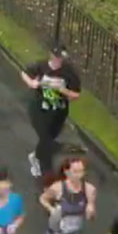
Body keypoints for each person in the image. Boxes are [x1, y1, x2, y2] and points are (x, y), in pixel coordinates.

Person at [21, 48, 83, 182]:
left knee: (49, 138)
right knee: (46, 138)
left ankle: (37, 154)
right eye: (56, 57)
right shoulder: (41, 66)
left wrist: (63, 90)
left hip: (58, 111)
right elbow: (25, 73)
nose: (58, 60)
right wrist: (31, 83)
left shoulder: (69, 72)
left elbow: (76, 95)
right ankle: (44, 168)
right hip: (39, 108)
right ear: (51, 55)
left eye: (61, 58)